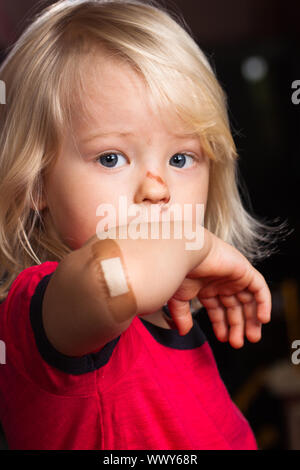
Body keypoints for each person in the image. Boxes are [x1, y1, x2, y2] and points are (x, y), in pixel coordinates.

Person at [0, 0, 288, 450]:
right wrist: (195, 243)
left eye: (181, 158)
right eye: (111, 158)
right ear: (37, 181)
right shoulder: (47, 308)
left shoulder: (176, 329)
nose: (156, 189)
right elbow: (106, 282)